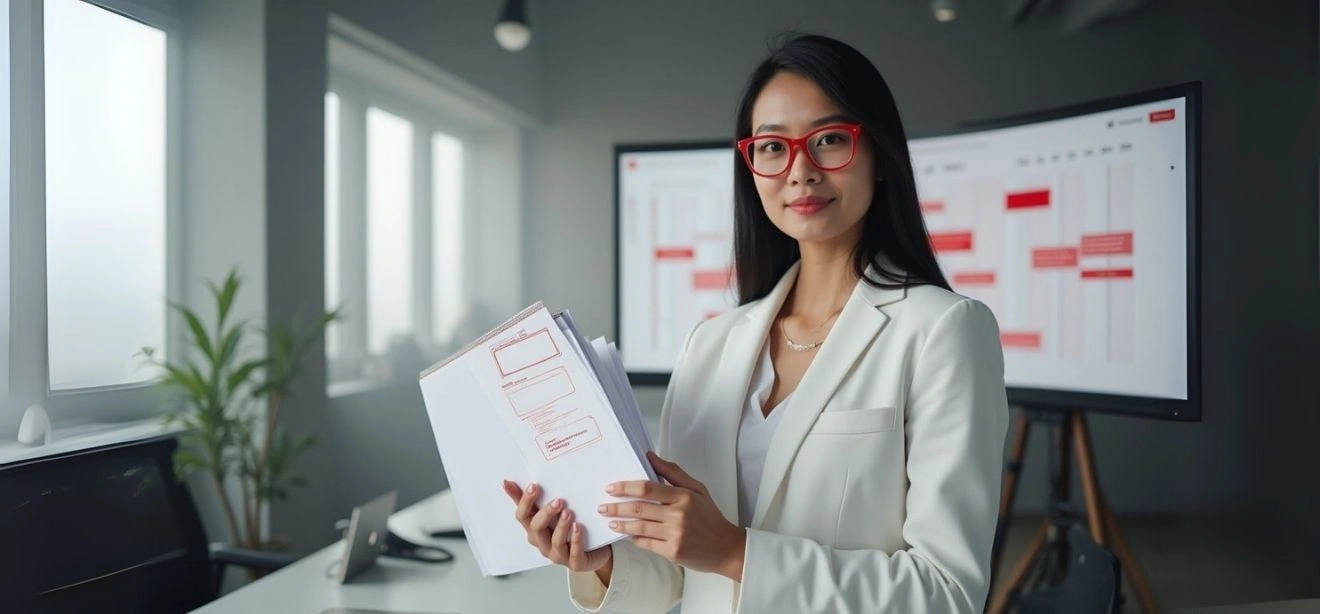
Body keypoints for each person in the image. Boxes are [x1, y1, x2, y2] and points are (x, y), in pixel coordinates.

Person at [502, 33, 1009, 613]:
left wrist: (738, 553)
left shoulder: (945, 332)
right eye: (772, 147)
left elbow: (947, 595)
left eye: (831, 140)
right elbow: (676, 580)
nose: (801, 170)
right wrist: (601, 561)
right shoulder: (711, 344)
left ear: (881, 156)